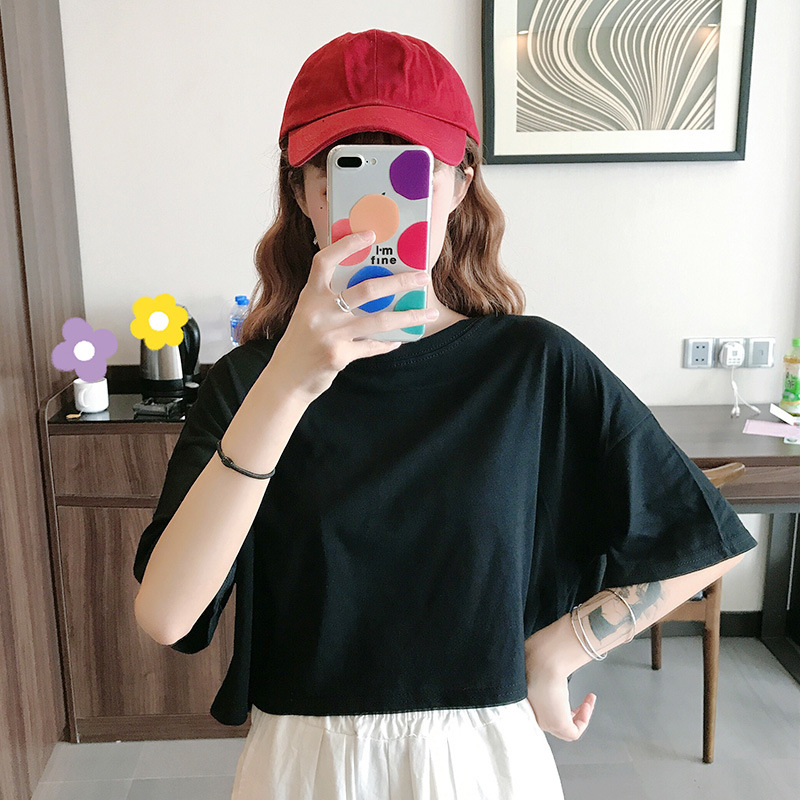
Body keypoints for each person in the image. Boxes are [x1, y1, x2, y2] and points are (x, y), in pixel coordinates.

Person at [132, 29, 758, 799]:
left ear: (460, 184)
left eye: (409, 170)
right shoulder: (249, 384)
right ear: (302, 193)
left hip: (482, 760)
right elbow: (167, 616)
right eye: (342, 170)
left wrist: (559, 650)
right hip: (306, 764)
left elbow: (704, 538)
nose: (375, 205)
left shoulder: (530, 365)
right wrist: (288, 384)